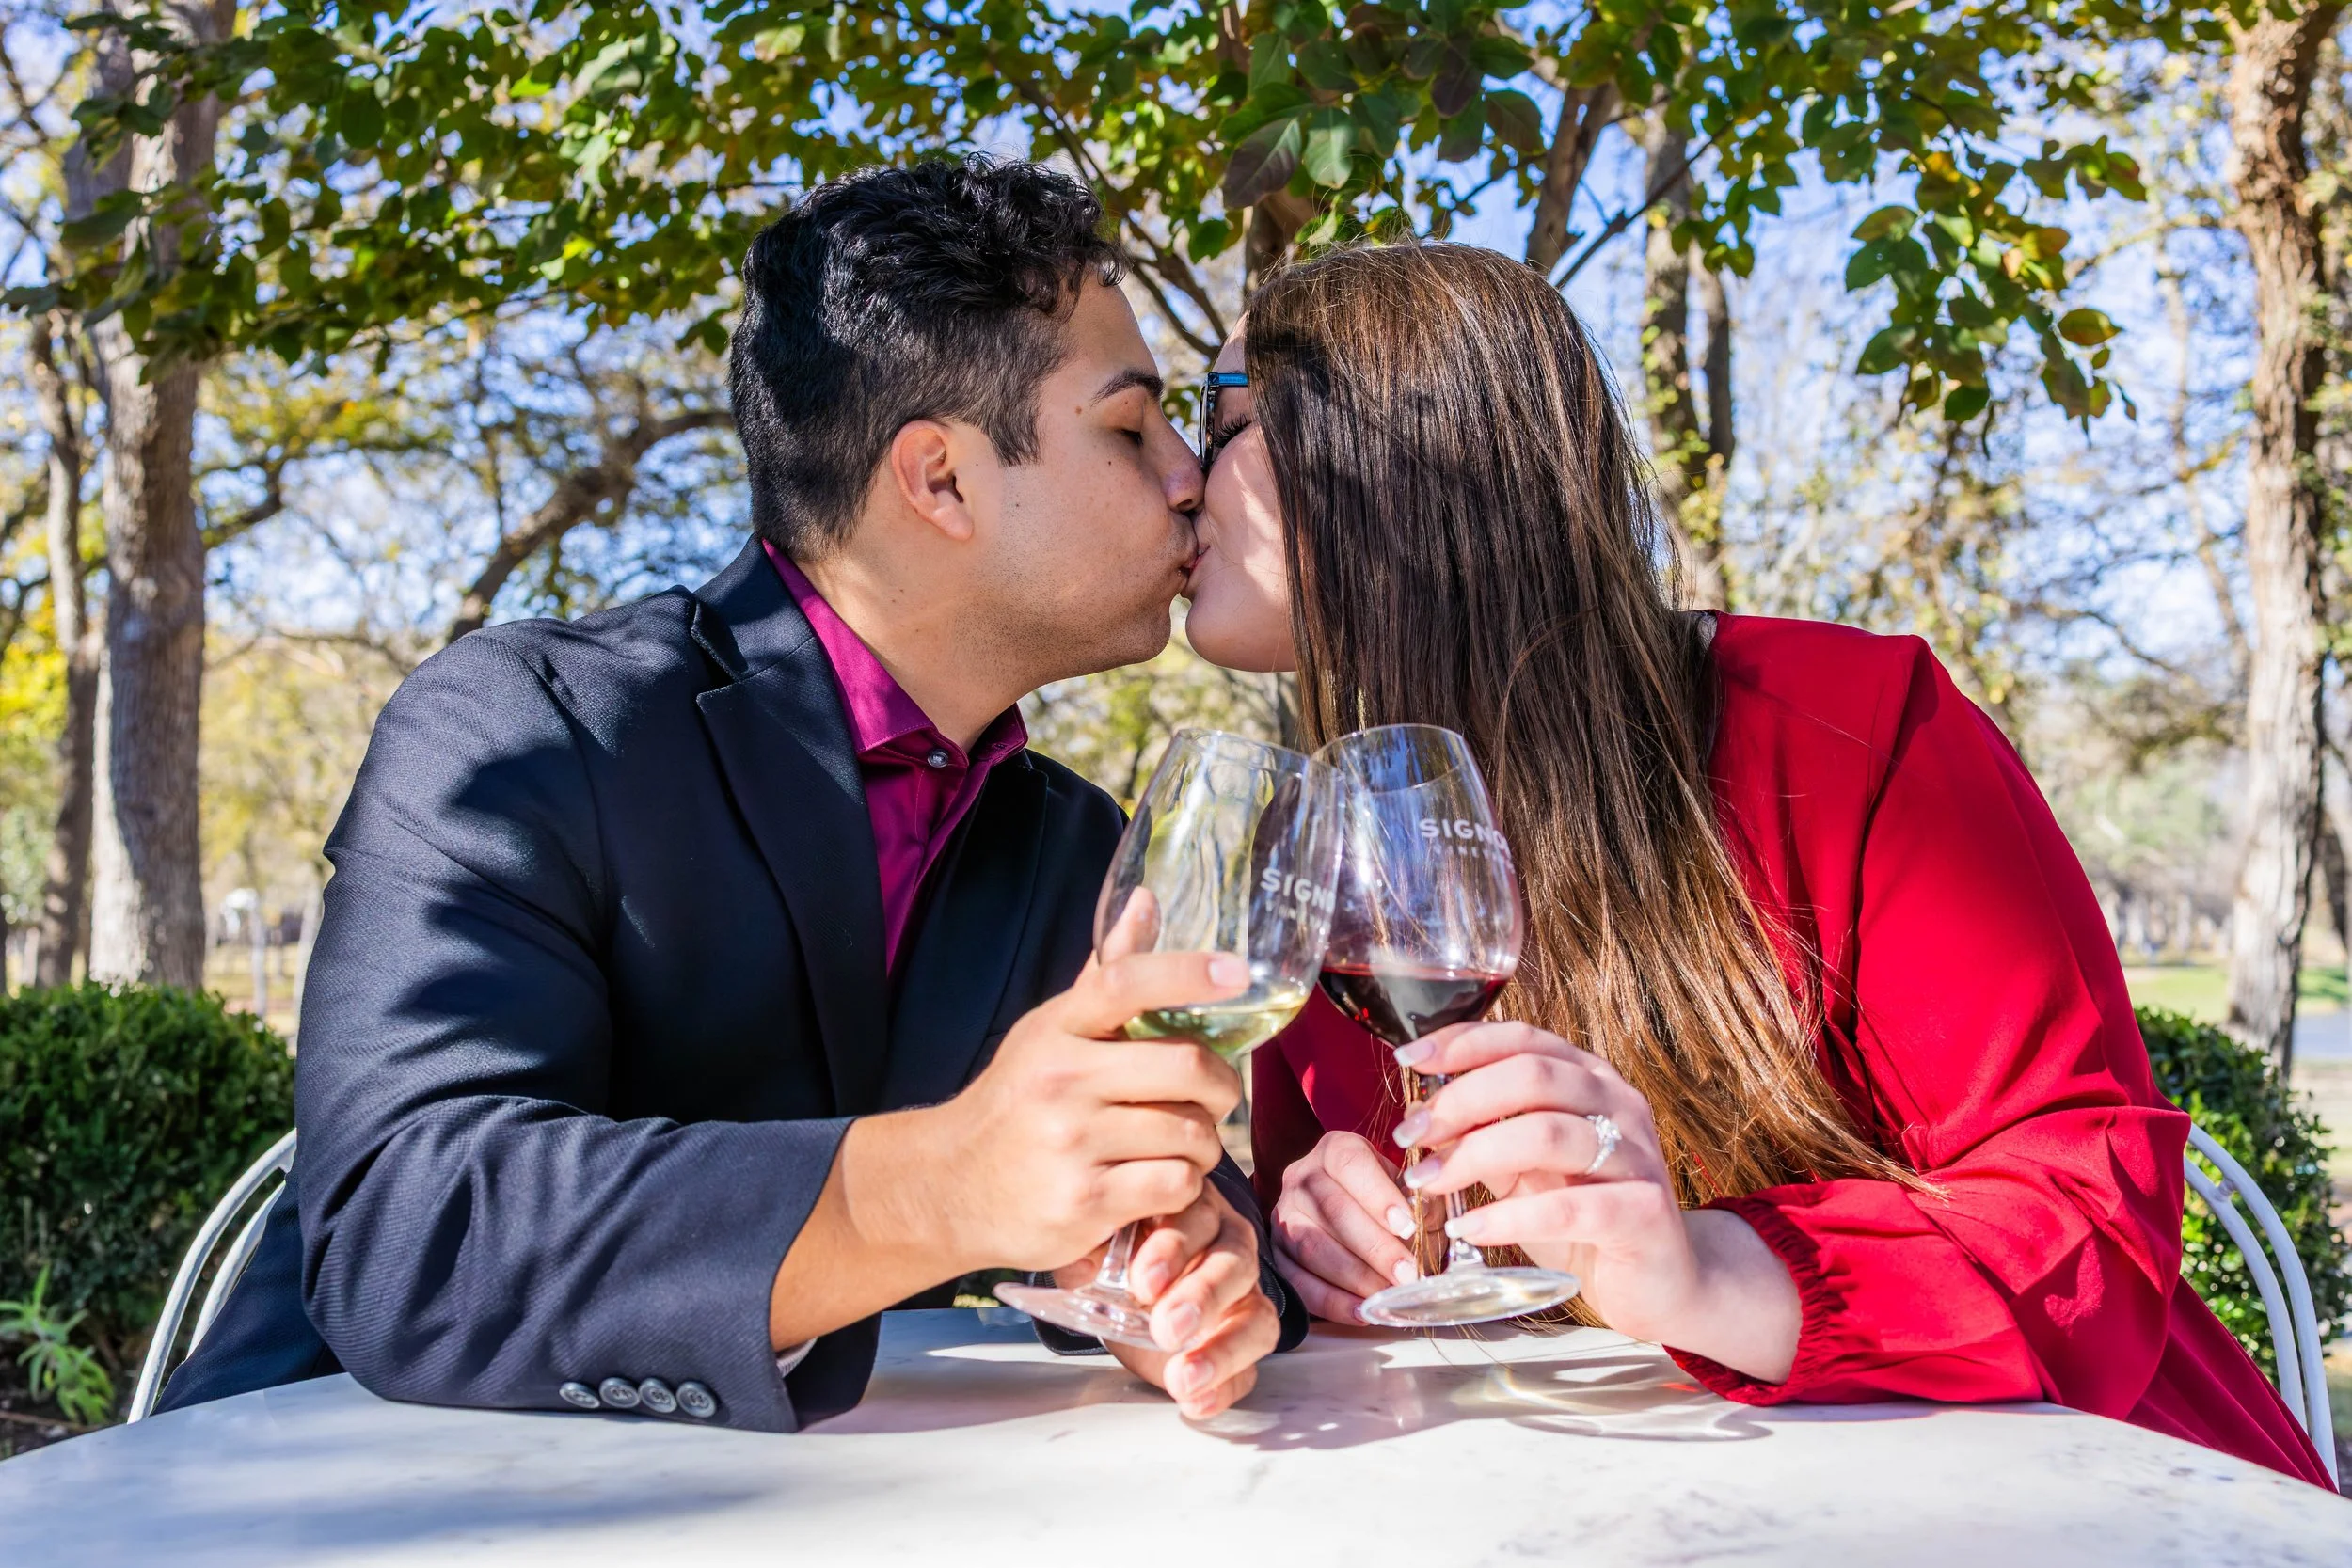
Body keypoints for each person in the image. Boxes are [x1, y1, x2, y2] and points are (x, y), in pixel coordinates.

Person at [162, 155, 1301, 1430]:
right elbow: (416, 1227)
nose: (1191, 475)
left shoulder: (1070, 842)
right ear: (940, 479)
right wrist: (933, 1188)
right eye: (1132, 428)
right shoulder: (526, 729)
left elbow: (1173, 1199)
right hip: (296, 1481)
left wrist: (1172, 1269)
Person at [1178, 241, 2333, 1488]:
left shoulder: (1846, 727)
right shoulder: (1330, 861)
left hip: (2086, 1498)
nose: (1181, 481)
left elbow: (2087, 1221)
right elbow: (1399, 1317)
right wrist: (1321, 1241)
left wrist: (1705, 1267)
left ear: (1383, 459)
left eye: (1218, 418)